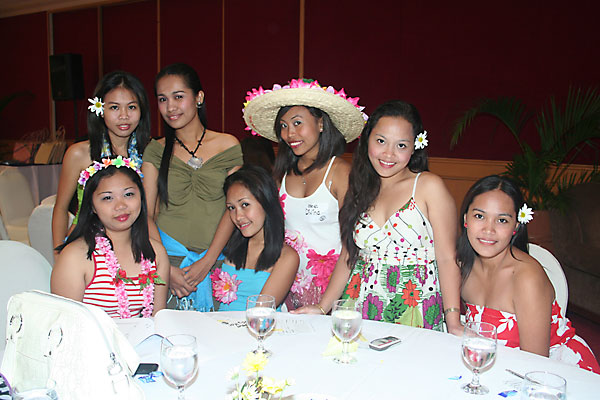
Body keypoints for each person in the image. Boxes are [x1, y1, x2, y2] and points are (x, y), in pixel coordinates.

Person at [293, 100, 463, 334]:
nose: (388, 154)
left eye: (401, 145)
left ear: (415, 147)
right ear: (367, 140)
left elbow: (447, 258)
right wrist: (322, 307)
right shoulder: (359, 188)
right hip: (359, 303)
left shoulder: (428, 186)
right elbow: (349, 256)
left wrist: (453, 320)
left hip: (414, 305)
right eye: (381, 141)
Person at [242, 78, 367, 309]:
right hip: (288, 287)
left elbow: (352, 246)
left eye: (298, 123)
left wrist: (323, 307)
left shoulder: (340, 172)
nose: (290, 133)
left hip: (334, 291)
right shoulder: (280, 175)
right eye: (283, 125)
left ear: (321, 123)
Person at [459, 175, 600, 373]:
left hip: (554, 373)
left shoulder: (526, 278)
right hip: (495, 366)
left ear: (516, 227)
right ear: (466, 219)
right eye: (479, 216)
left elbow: (536, 365)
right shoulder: (463, 267)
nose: (488, 229)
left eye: (502, 220)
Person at [142, 63, 243, 311]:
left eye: (178, 97)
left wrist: (207, 261)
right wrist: (165, 268)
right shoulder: (155, 149)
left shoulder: (227, 145)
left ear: (199, 97)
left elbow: (235, 209)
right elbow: (145, 214)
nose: (170, 107)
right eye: (163, 99)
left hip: (219, 260)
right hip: (168, 260)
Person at [51, 157, 169, 318]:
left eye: (128, 194)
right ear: (92, 206)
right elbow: (65, 325)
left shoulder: (157, 253)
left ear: (141, 198)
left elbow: (158, 319)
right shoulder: (74, 257)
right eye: (107, 198)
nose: (120, 206)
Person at [52, 71, 151, 249]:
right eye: (114, 107)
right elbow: (60, 208)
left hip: (136, 243)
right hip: (86, 244)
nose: (124, 115)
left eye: (131, 107)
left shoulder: (150, 153)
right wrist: (59, 253)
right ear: (100, 110)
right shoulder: (79, 154)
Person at [211, 165, 299, 311]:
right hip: (219, 322)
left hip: (256, 324)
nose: (238, 216)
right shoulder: (231, 247)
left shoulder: (286, 256)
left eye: (245, 205)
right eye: (231, 208)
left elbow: (260, 313)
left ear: (266, 202)